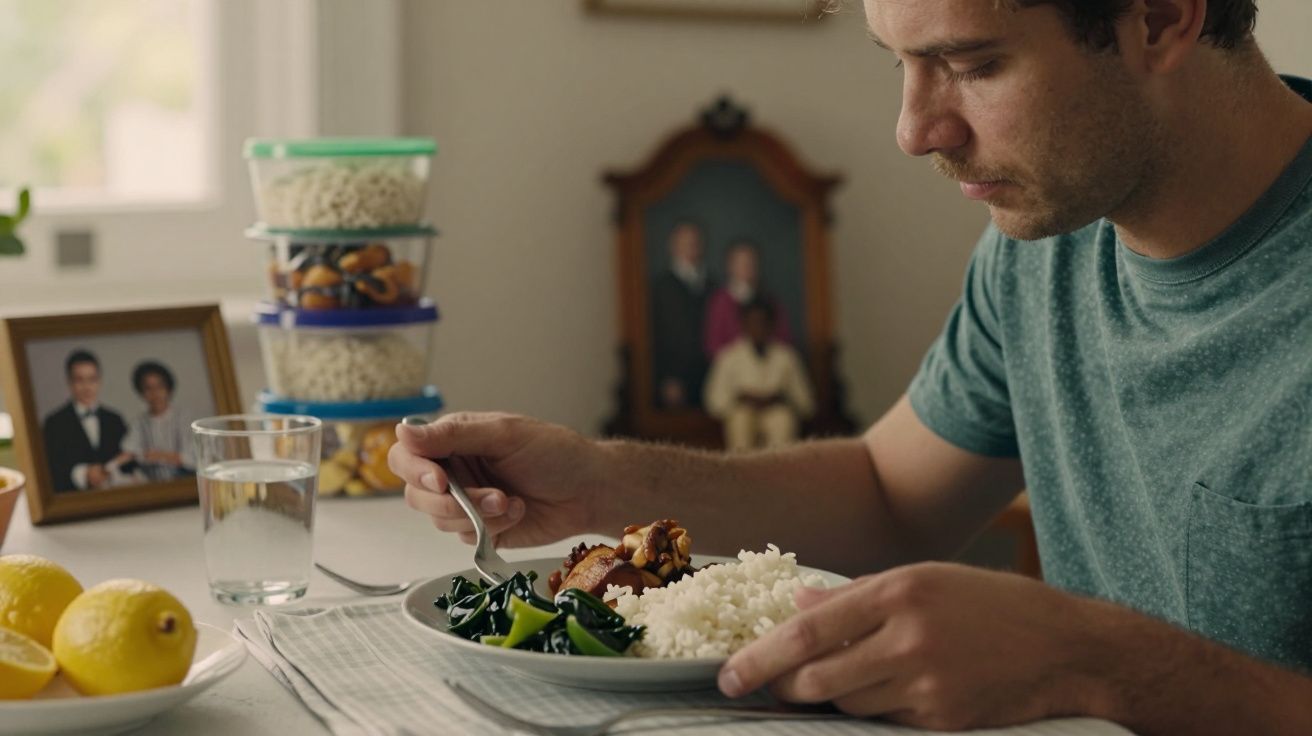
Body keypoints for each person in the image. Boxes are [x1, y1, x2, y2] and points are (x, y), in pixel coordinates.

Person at [392, 1, 1312, 732]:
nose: (914, 131)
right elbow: (886, 497)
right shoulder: (1045, 239)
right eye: (898, 63)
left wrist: (1093, 661)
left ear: (1158, 19)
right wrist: (601, 484)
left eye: (974, 63)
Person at [704, 298, 815, 450]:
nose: (759, 328)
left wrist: (778, 398)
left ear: (772, 325)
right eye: (753, 322)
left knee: (783, 420)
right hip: (743, 411)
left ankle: (778, 471)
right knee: (740, 420)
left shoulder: (786, 357)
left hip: (776, 411)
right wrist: (743, 398)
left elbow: (806, 404)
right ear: (744, 325)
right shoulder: (729, 357)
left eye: (763, 322)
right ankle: (742, 471)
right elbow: (715, 402)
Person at [42, 350, 136, 492]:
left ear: (99, 381)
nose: (87, 387)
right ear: (69, 382)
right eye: (79, 380)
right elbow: (49, 472)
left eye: (92, 379)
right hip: (74, 505)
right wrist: (83, 474)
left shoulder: (115, 420)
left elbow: (130, 466)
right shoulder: (54, 423)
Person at [650, 220, 714, 408]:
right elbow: (657, 336)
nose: (690, 247)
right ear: (673, 246)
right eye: (685, 242)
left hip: (709, 374)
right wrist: (668, 377)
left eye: (694, 242)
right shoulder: (661, 287)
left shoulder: (712, 285)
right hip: (676, 376)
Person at [702, 240, 793, 358]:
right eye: (741, 262)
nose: (747, 267)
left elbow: (784, 339)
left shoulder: (769, 300)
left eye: (751, 262)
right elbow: (713, 345)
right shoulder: (720, 301)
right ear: (729, 266)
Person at [121, 360, 195, 482]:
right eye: (148, 388)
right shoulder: (138, 423)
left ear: (168, 388)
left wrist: (159, 456)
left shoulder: (183, 418)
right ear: (141, 392)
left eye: (159, 386)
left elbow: (191, 458)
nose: (155, 393)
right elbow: (129, 451)